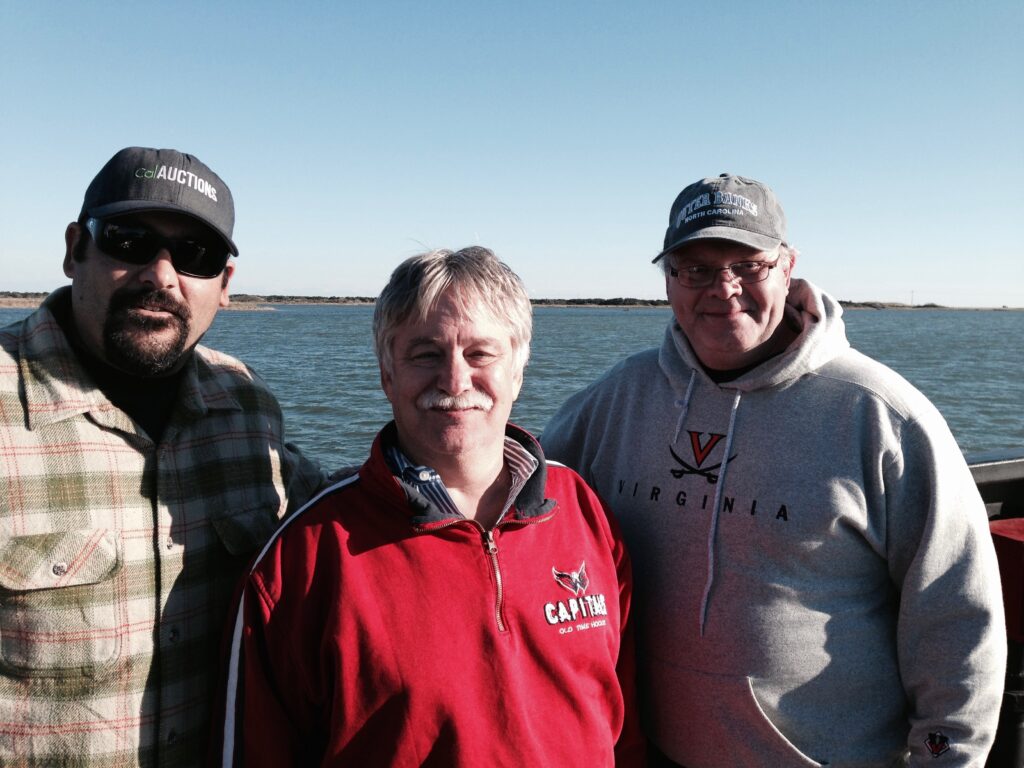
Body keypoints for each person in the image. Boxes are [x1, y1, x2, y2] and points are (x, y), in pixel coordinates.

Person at [541, 174, 1006, 767]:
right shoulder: (618, 398)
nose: (723, 288)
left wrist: (946, 758)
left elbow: (956, 614)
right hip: (647, 752)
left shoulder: (882, 415)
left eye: (748, 265)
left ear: (787, 268)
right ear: (668, 280)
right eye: (695, 268)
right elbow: (517, 498)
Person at [216, 247, 644, 767]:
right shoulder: (301, 561)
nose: (455, 380)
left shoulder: (583, 513)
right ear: (386, 374)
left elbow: (623, 723)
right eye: (425, 354)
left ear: (519, 370)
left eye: (481, 354)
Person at [0, 146, 325, 766]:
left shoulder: (248, 409)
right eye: (129, 240)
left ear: (225, 285)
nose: (161, 275)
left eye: (196, 257)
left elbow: (354, 513)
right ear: (75, 250)